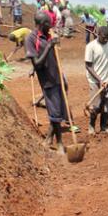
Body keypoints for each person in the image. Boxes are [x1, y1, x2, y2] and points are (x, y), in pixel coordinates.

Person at [25, 11, 68, 154]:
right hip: (48, 80)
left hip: (57, 76)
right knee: (55, 112)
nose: (51, 26)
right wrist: (49, 46)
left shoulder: (48, 35)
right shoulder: (31, 39)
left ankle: (48, 139)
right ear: (42, 24)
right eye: (49, 23)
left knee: (58, 110)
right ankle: (60, 143)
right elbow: (37, 63)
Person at [85, 25, 108, 135]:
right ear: (98, 34)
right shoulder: (91, 46)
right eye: (104, 37)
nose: (106, 39)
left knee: (107, 106)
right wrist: (99, 80)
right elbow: (88, 66)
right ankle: (91, 126)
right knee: (95, 106)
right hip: (95, 81)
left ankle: (104, 127)